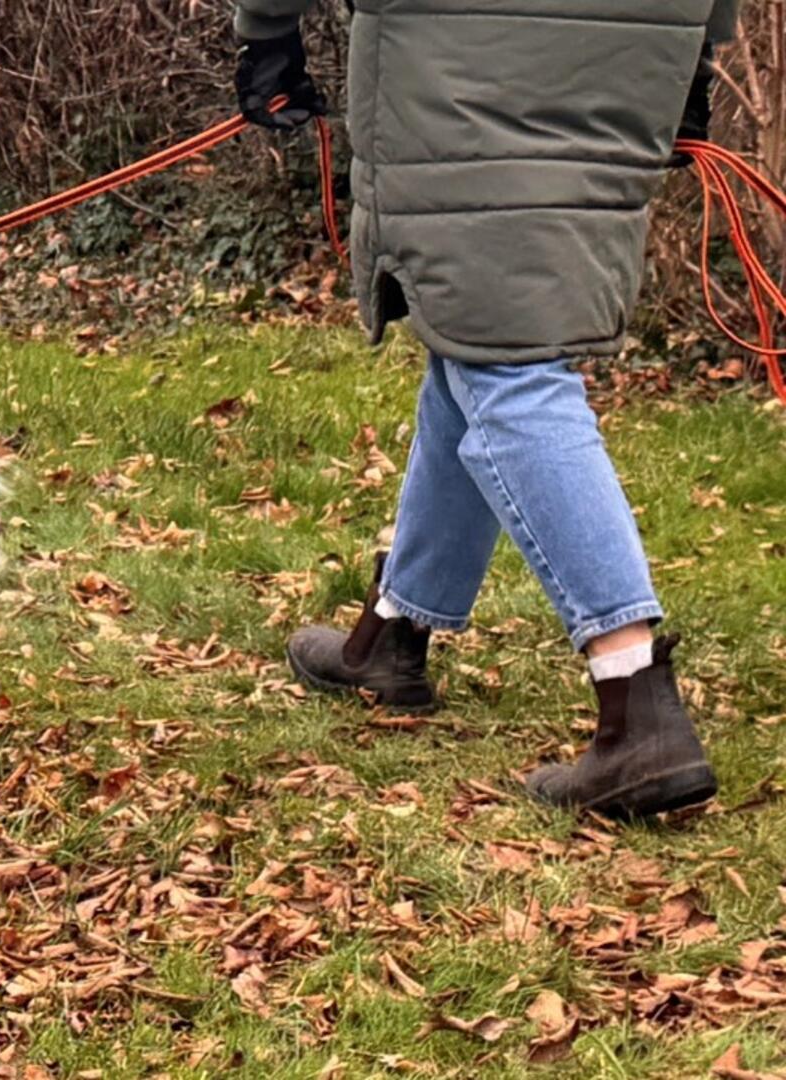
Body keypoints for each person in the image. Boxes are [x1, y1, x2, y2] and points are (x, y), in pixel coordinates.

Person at [233, 0, 741, 817]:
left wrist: (268, 33)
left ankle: (636, 697)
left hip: (453, 63)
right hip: (631, 46)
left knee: (513, 373)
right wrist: (699, 52)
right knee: (478, 335)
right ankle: (396, 630)